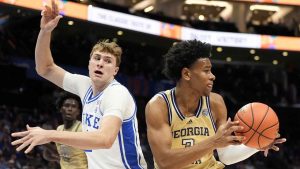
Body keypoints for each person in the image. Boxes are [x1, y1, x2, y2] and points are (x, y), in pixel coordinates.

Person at [11, 0, 147, 168]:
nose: (100, 63)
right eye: (96, 58)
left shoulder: (117, 93)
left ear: (115, 71)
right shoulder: (85, 85)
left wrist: (49, 135)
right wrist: (45, 31)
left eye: (108, 61)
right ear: (89, 63)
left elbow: (104, 139)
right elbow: (45, 69)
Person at [145, 40, 286, 169]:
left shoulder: (216, 103)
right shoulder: (159, 106)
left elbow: (226, 157)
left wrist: (257, 144)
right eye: (206, 71)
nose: (213, 76)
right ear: (187, 74)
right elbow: (165, 162)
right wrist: (213, 142)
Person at [43, 92, 88, 169]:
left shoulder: (83, 128)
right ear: (61, 109)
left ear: (78, 111)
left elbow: (69, 144)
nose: (69, 109)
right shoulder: (59, 129)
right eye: (66, 106)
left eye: (74, 106)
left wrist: (44, 139)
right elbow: (59, 153)